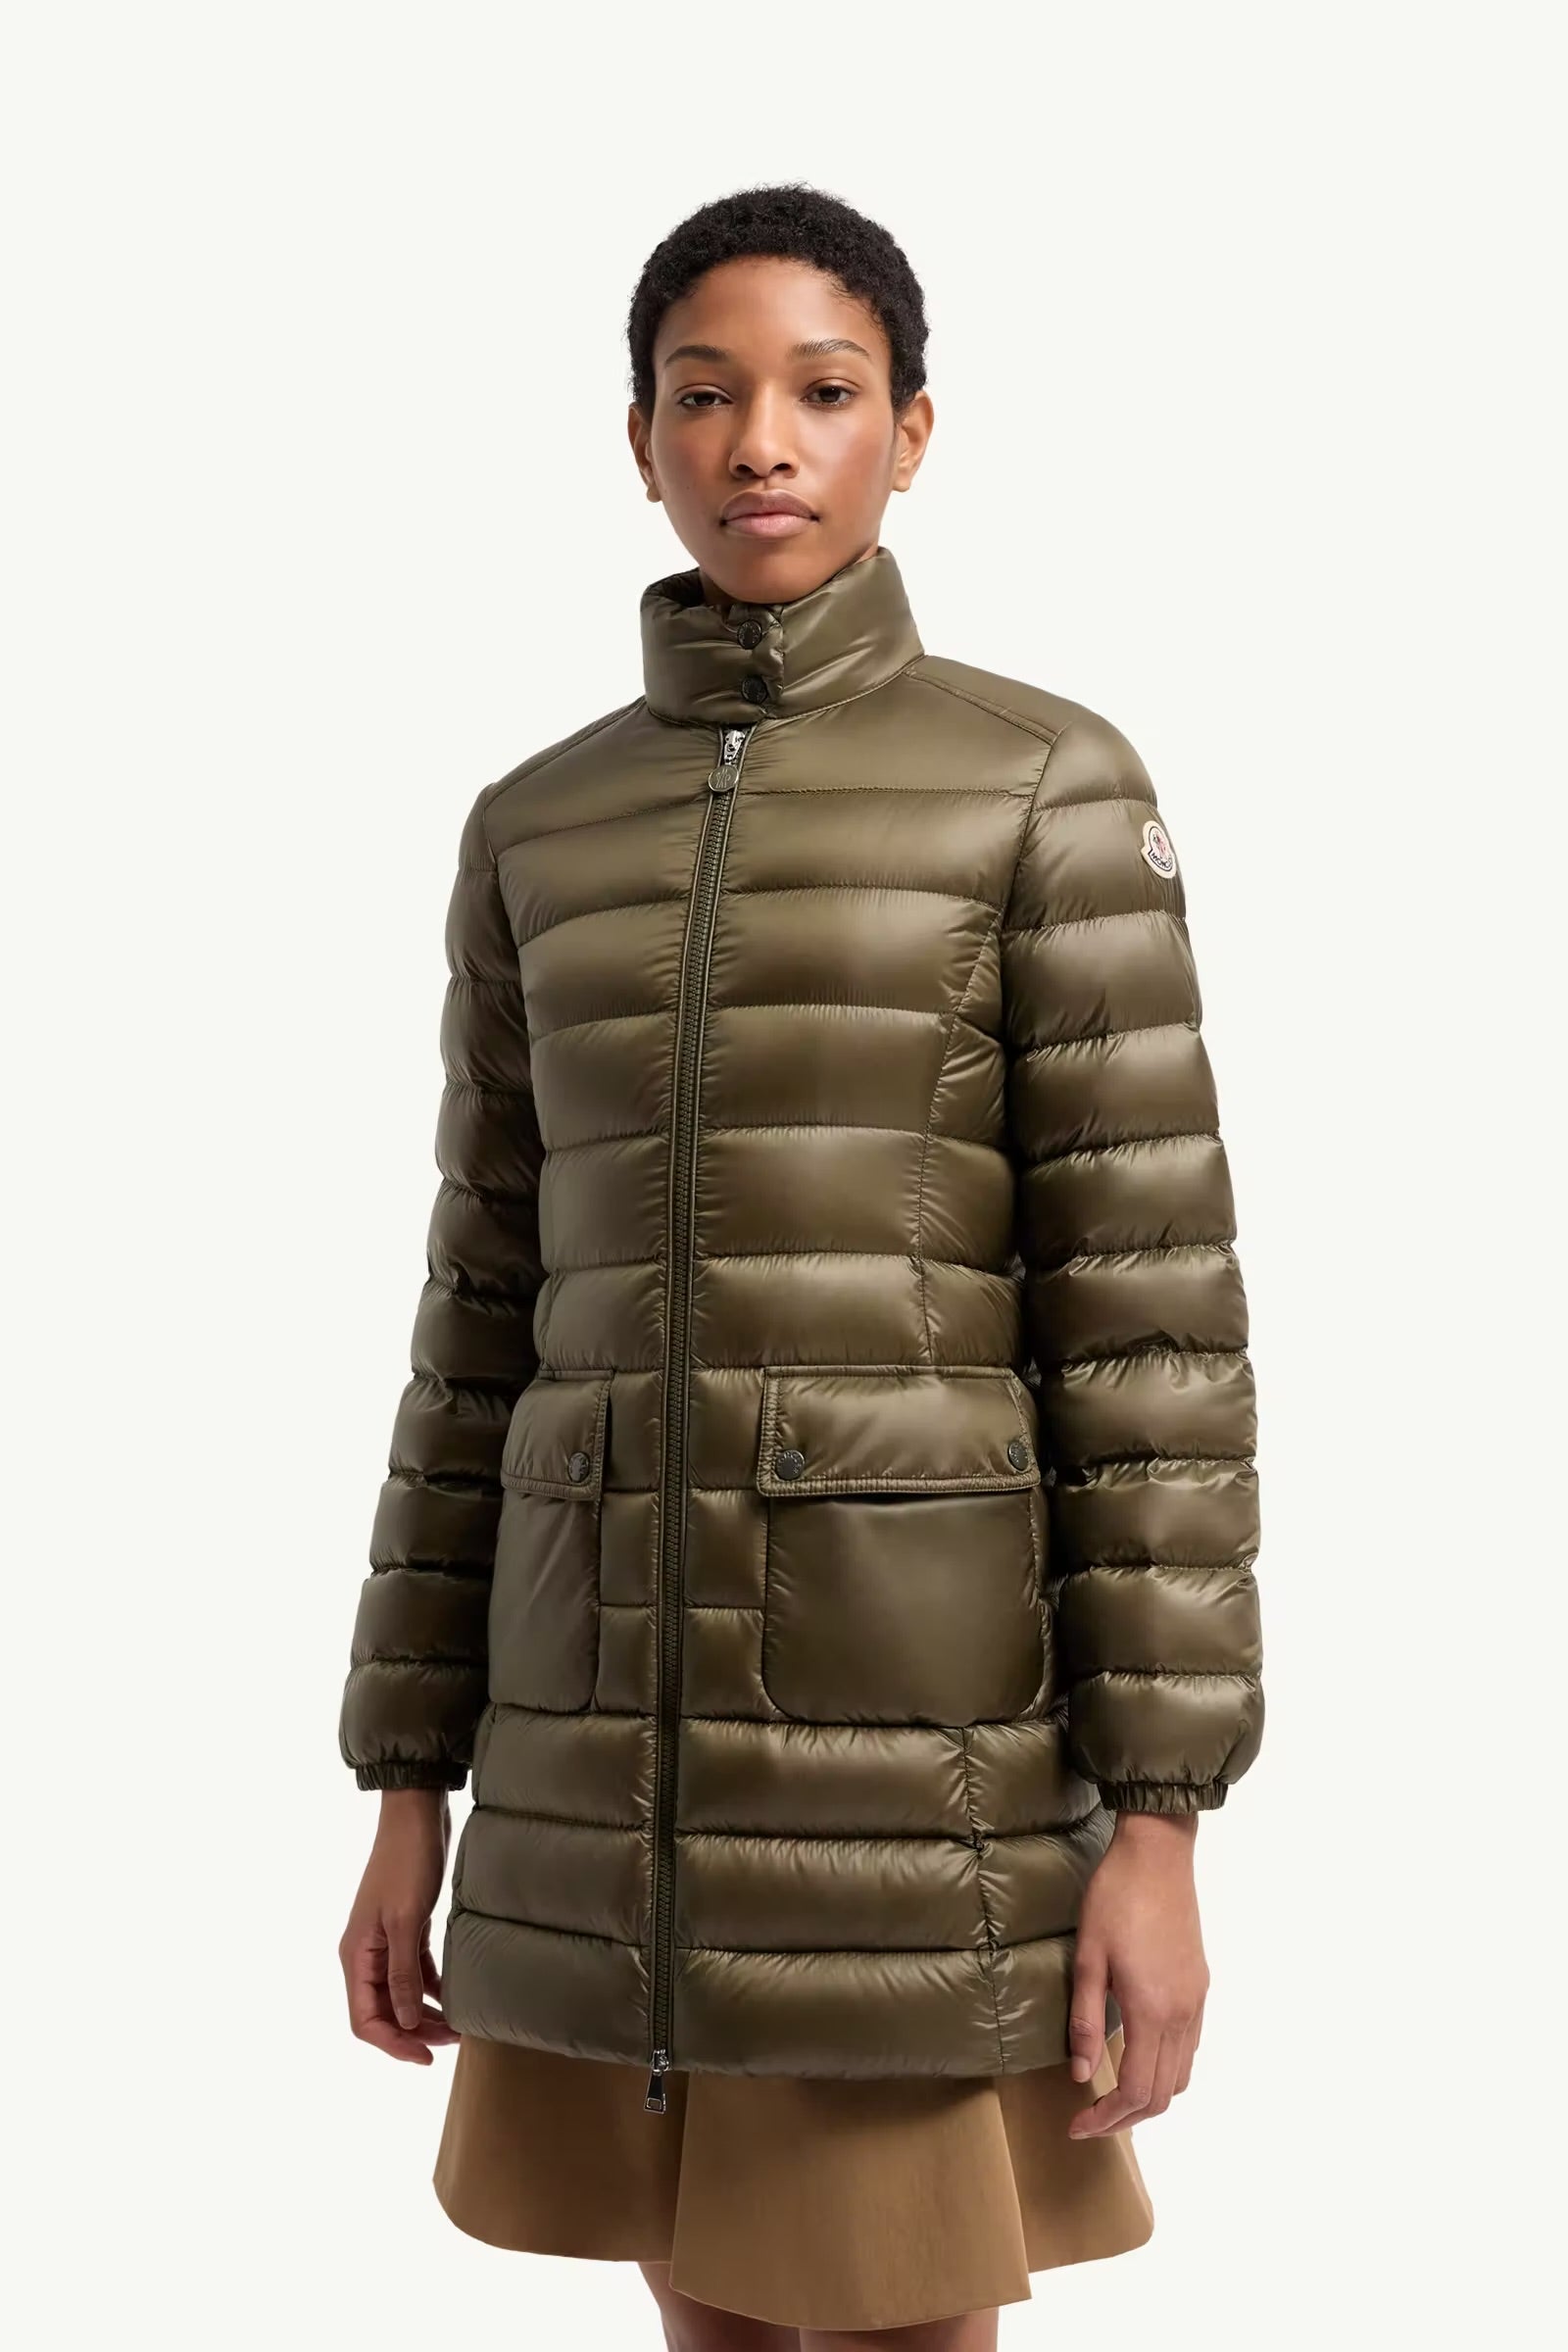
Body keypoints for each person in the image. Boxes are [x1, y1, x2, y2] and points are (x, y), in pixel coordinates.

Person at [336, 182, 1264, 2348]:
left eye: (822, 391)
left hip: (913, 1785)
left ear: (909, 432)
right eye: (704, 393)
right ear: (639, 439)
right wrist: (406, 1787)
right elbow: (477, 1326)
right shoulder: (536, 826)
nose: (760, 440)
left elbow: (1149, 1340)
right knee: (707, 2320)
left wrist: (1160, 1824)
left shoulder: (1043, 788)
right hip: (597, 1781)